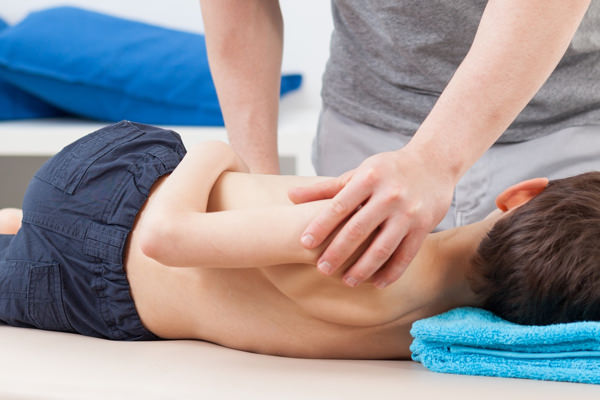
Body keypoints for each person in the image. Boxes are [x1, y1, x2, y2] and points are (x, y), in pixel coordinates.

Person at [1, 122, 598, 359]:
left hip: (105, 202)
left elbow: (165, 236)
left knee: (190, 161)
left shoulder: (361, 244)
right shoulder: (417, 339)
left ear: (520, 195)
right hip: (95, 302)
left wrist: (217, 151)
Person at [198, 0, 600, 290]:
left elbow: (160, 239)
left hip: (569, 140)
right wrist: (259, 184)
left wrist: (433, 160)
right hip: (367, 129)